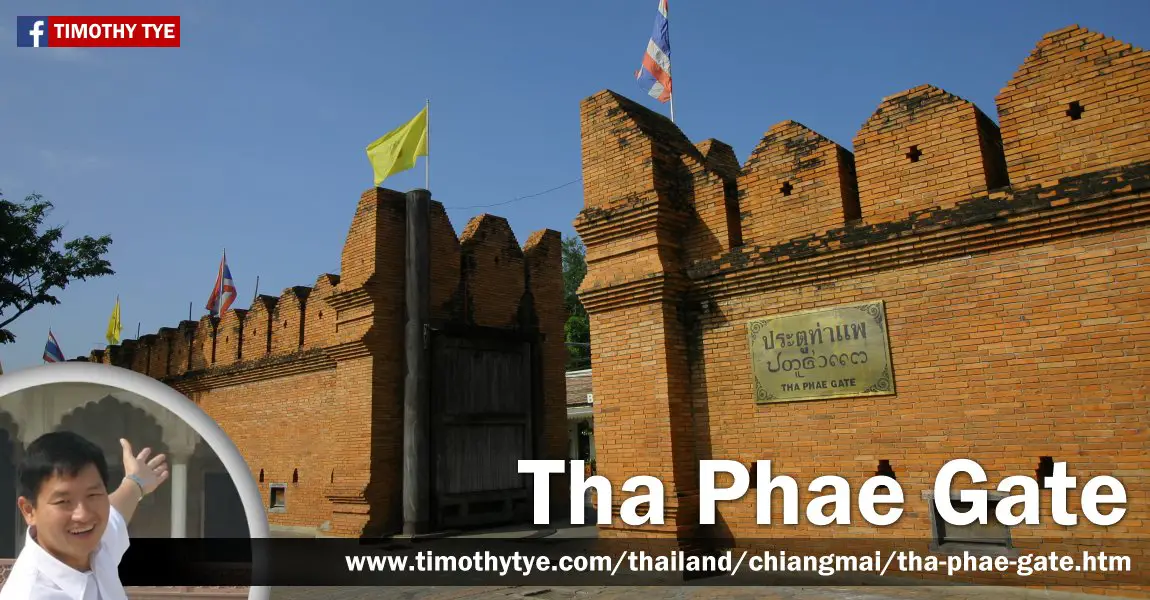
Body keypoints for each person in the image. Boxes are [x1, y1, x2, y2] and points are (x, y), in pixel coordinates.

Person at [0, 431, 170, 599]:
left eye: (93, 495)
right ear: (29, 510)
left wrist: (136, 482)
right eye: (63, 502)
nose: (83, 515)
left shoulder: (97, 546)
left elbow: (117, 511)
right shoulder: (30, 594)